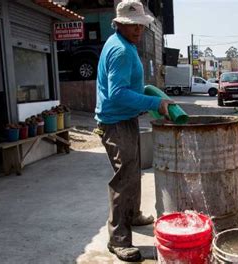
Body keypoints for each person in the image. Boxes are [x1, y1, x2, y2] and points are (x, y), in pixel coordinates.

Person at [94, 0, 172, 261]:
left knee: (133, 170)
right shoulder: (121, 51)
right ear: (118, 24)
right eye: (132, 25)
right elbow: (117, 94)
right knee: (124, 178)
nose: (138, 30)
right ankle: (118, 239)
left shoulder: (124, 44)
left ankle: (133, 214)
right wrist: (154, 103)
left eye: (140, 25)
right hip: (115, 122)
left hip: (124, 119)